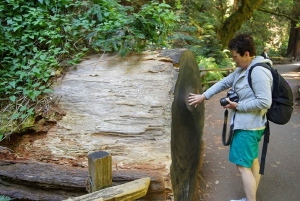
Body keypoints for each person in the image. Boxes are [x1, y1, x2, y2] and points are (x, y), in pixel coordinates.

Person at [189, 34, 273, 201]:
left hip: (248, 127)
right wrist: (203, 96)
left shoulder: (258, 72)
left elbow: (265, 102)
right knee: (253, 161)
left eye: (235, 56)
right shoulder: (244, 69)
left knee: (242, 166)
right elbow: (223, 83)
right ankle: (251, 197)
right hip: (251, 125)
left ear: (246, 54)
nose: (234, 60)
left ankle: (250, 200)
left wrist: (238, 106)